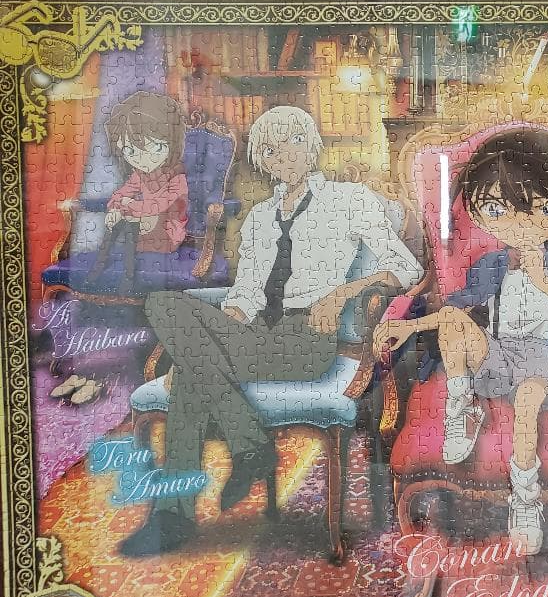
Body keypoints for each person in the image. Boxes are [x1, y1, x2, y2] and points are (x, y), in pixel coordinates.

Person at [119, 106, 423, 557]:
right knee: (162, 304)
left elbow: (407, 267)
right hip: (257, 333)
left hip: (306, 339)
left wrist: (342, 293)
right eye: (270, 148)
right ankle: (248, 445)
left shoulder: (349, 200)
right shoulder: (259, 218)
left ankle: (174, 515)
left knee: (189, 374)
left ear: (312, 145)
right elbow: (244, 296)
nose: (283, 154)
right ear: (261, 160)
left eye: (292, 141)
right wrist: (210, 337)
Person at [373, 130, 548, 555]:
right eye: (500, 209)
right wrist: (410, 327)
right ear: (480, 214)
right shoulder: (490, 264)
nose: (521, 224)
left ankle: (525, 501)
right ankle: (461, 408)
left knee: (527, 404)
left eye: (540, 208)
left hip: (544, 358)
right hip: (498, 352)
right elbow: (458, 307)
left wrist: (545, 282)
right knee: (453, 319)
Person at [85, 91, 188, 296]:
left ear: (171, 142)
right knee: (124, 216)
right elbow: (121, 193)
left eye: (155, 147)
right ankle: (100, 267)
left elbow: (156, 206)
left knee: (131, 217)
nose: (141, 159)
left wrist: (127, 207)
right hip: (144, 233)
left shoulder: (178, 180)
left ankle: (127, 277)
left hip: (168, 235)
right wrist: (116, 208)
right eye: (130, 151)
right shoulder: (140, 175)